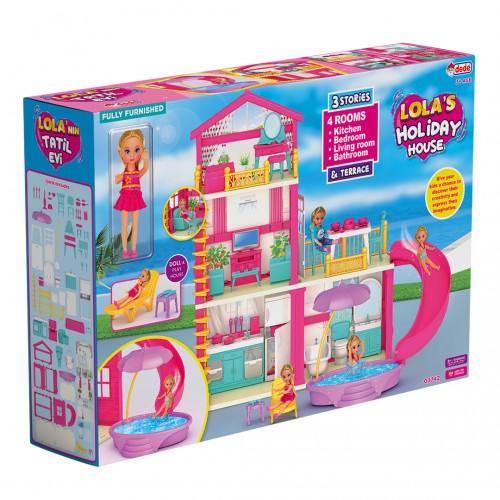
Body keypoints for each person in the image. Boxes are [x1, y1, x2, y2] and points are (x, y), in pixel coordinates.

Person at [114, 129, 149, 259]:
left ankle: (133, 250)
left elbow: (146, 168)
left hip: (135, 198)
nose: (132, 155)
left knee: (135, 226)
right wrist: (121, 177)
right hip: (125, 198)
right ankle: (125, 250)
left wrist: (146, 158)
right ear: (121, 153)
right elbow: (116, 179)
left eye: (137, 150)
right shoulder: (124, 174)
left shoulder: (137, 172)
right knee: (124, 226)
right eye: (127, 151)